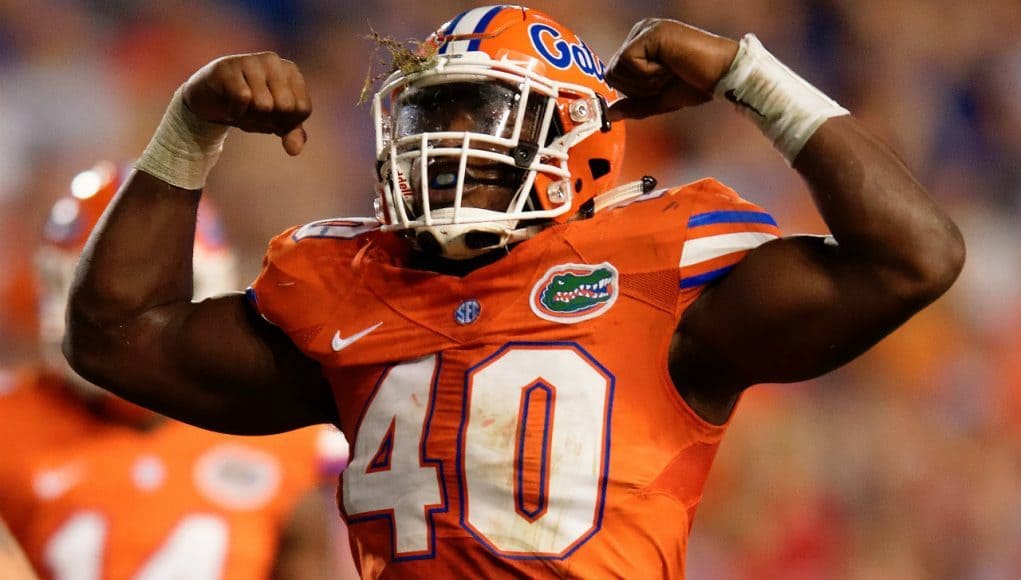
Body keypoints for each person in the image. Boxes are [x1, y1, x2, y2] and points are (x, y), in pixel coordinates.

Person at [63, 5, 965, 578]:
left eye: (479, 116)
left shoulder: (658, 266)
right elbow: (116, 336)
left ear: (578, 138)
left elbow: (911, 258)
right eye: (429, 116)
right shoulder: (349, 286)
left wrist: (748, 76)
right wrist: (189, 127)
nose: (445, 145)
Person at [0, 162, 356, 579]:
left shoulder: (285, 436)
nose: (123, 320)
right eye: (99, 295)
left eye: (152, 296)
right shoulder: (12, 423)